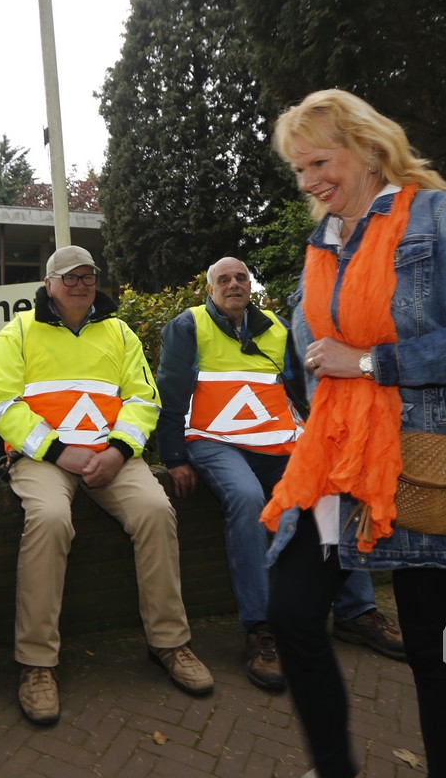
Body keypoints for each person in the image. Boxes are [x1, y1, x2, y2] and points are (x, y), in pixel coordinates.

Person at [260, 90, 446, 778]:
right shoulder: (322, 243)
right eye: (298, 169)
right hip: (335, 460)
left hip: (423, 458)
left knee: (435, 655)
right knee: (292, 613)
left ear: (369, 148)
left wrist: (371, 363)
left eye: (319, 162)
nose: (308, 181)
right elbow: (308, 351)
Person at [0, 245, 213, 726]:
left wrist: (118, 451)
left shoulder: (120, 332)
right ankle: (36, 663)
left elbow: (143, 399)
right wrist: (58, 451)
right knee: (49, 519)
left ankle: (170, 643)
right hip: (44, 458)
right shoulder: (18, 332)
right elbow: (2, 404)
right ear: (48, 284)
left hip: (111, 457)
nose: (80, 284)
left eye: (87, 275)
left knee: (156, 511)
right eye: (69, 277)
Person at [156, 256, 404, 692]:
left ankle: (355, 611)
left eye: (241, 277)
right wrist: (174, 456)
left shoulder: (276, 327)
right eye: (223, 279)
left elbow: (301, 389)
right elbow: (171, 393)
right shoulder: (189, 326)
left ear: (250, 285)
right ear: (210, 290)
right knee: (248, 498)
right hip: (215, 440)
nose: (234, 284)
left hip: (280, 442)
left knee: (332, 491)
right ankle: (260, 629)